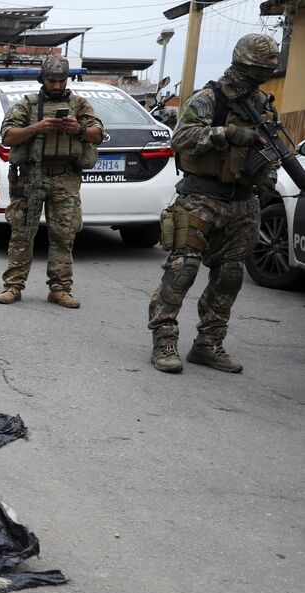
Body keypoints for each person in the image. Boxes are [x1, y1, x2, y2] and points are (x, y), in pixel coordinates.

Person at [148, 34, 280, 374]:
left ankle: (208, 344)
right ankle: (164, 339)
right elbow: (181, 138)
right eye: (260, 68)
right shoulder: (210, 98)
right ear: (244, 65)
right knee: (183, 269)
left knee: (230, 275)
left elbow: (269, 150)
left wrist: (267, 179)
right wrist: (226, 134)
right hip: (200, 198)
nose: (265, 74)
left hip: (242, 202)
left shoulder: (263, 104)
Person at [0, 55, 104, 309]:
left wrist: (78, 129)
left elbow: (98, 134)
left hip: (65, 177)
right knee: (22, 234)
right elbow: (8, 136)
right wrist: (37, 128)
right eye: (52, 80)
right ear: (42, 79)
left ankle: (60, 289)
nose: (57, 85)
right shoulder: (27, 104)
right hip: (32, 175)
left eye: (61, 80)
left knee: (64, 236)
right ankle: (13, 286)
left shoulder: (79, 104)